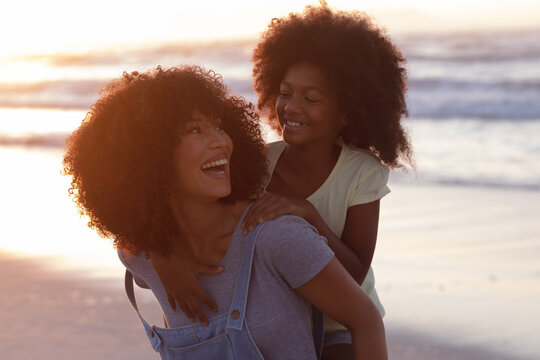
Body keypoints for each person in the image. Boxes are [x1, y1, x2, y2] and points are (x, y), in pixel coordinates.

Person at [62, 65, 387, 359]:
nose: (220, 141)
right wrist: (162, 258)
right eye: (194, 130)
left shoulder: (278, 236)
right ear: (149, 156)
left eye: (219, 127)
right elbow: (129, 244)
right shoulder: (145, 254)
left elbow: (365, 319)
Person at [152, 3, 414, 360]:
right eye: (285, 93)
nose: (292, 107)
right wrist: (163, 259)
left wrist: (307, 213)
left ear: (347, 111)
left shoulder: (361, 172)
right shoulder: (257, 163)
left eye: (311, 99)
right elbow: (191, 215)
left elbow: (354, 273)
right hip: (269, 314)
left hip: (339, 325)